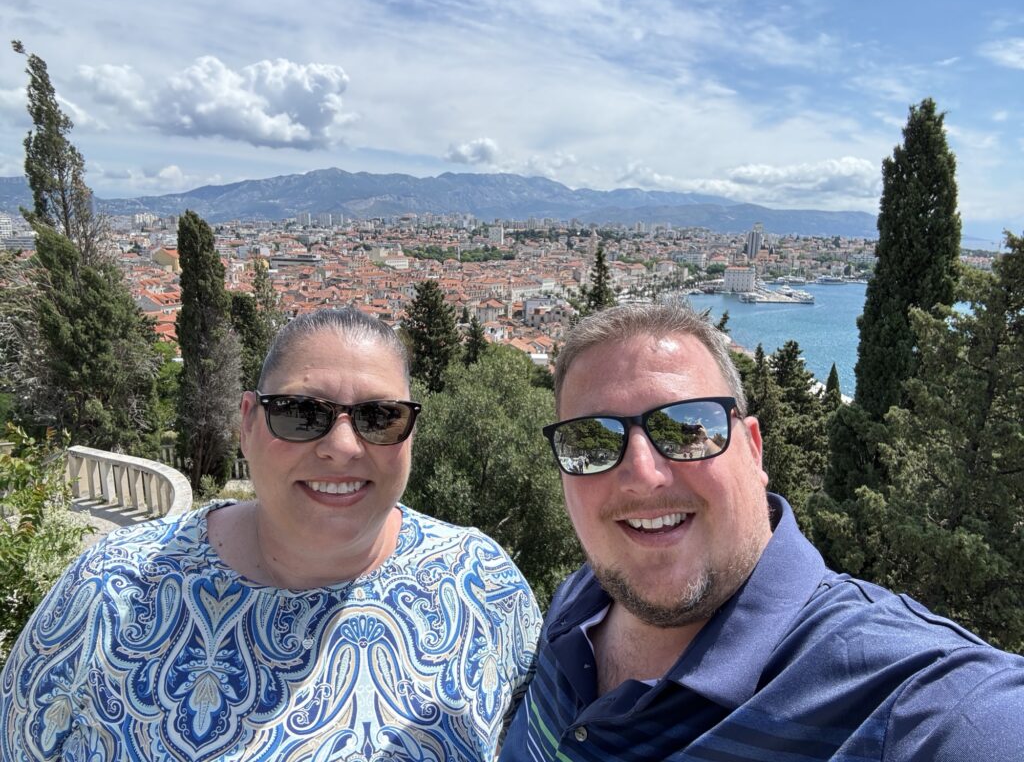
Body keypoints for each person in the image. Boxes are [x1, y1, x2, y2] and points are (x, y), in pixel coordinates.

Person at [1, 308, 541, 761]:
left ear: (410, 434)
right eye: (302, 413)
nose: (343, 448)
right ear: (248, 422)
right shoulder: (109, 590)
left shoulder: (482, 586)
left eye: (380, 417)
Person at [499, 303, 1024, 761]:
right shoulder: (581, 600)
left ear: (753, 450)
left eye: (688, 429)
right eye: (591, 442)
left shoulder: (905, 700)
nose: (643, 475)